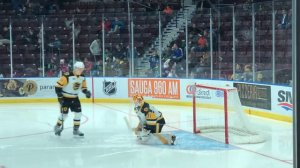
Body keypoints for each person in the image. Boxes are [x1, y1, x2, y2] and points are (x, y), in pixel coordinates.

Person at [54, 61, 91, 137]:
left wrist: (86, 92)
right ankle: (57, 127)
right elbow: (57, 86)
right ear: (75, 68)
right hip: (65, 98)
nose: (81, 71)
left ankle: (76, 130)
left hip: (75, 98)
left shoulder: (82, 77)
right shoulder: (67, 76)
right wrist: (60, 97)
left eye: (82, 69)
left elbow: (83, 88)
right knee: (64, 115)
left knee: (78, 114)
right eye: (79, 69)